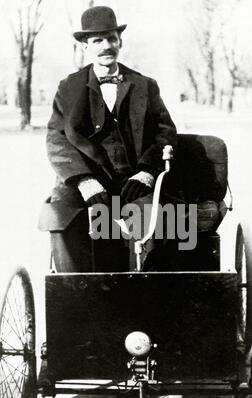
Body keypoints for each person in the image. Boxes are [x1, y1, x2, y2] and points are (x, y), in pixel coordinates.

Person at [39, 5, 177, 272]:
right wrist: (84, 180)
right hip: (86, 181)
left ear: (120, 42)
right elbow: (57, 139)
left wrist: (147, 172)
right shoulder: (68, 88)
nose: (106, 46)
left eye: (111, 39)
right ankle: (78, 295)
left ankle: (150, 295)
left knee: (166, 222)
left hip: (134, 181)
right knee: (61, 218)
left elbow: (165, 132)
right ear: (84, 47)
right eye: (97, 40)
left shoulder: (144, 85)